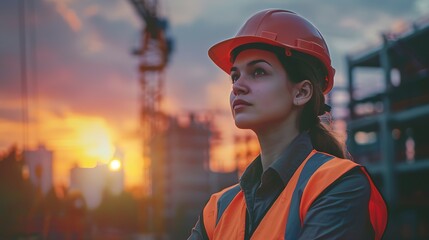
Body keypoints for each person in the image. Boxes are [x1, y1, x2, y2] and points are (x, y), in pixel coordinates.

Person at [188, 9, 387, 240]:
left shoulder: (340, 186)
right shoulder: (218, 209)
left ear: (301, 92)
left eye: (258, 71)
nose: (237, 86)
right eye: (235, 76)